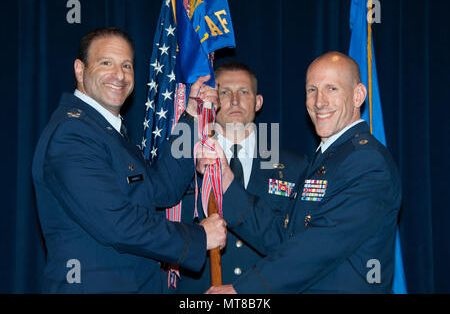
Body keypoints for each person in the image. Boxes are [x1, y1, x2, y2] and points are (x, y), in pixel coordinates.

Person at [31, 27, 227, 294]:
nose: (120, 75)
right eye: (106, 63)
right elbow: (117, 223)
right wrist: (198, 237)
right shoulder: (72, 134)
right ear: (79, 69)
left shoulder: (106, 132)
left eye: (127, 65)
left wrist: (191, 115)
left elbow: (162, 189)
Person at [200, 51, 402, 293]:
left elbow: (319, 245)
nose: (319, 102)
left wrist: (242, 291)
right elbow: (284, 236)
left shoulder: (366, 161)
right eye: (312, 90)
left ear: (358, 95)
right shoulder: (330, 157)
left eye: (332, 89)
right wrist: (227, 184)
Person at [167, 61, 308, 293]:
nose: (234, 100)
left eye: (243, 92)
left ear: (258, 101)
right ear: (212, 99)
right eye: (224, 92)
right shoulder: (184, 161)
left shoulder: (294, 166)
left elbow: (297, 244)